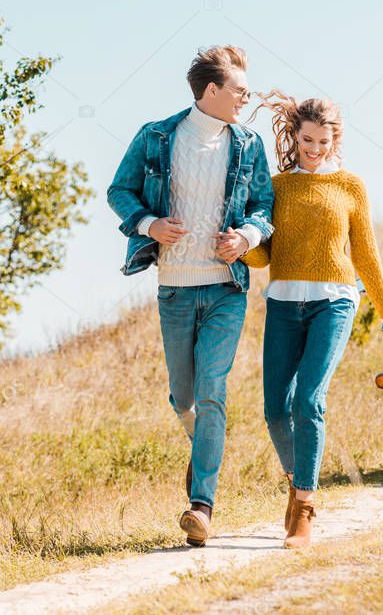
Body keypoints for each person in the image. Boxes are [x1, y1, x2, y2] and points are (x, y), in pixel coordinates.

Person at [106, 46, 274, 547]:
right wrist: (148, 223)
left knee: (211, 392)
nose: (247, 97)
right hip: (174, 290)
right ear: (211, 91)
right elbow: (120, 190)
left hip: (226, 288)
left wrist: (245, 237)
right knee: (184, 397)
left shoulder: (248, 144)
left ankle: (201, 506)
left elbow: (264, 206)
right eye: (240, 90)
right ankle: (205, 446)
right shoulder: (156, 136)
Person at [240, 91, 383, 548]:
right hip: (283, 303)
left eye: (323, 142)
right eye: (308, 140)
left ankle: (304, 508)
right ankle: (301, 479)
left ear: (335, 140)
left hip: (334, 302)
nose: (315, 150)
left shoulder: (350, 187)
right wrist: (239, 242)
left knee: (309, 400)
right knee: (276, 409)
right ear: (294, 136)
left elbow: (365, 253)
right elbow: (263, 256)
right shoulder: (277, 187)